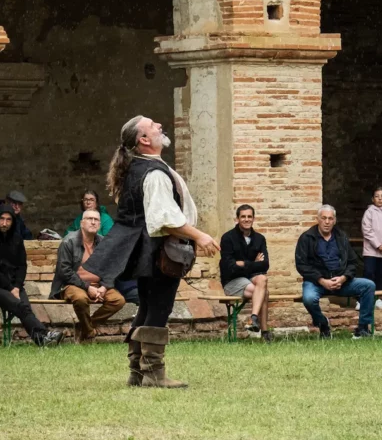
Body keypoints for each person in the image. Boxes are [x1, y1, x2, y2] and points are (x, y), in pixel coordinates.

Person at [78, 115, 219, 388]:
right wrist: (199, 235)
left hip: (143, 249)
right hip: (157, 251)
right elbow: (163, 219)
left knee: (147, 306)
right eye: (153, 126)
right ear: (143, 139)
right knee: (159, 308)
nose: (159, 127)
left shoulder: (137, 167)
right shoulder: (153, 173)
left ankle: (137, 372)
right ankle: (153, 372)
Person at [0, 203, 63, 347]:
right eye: (2, 219)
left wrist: (16, 286)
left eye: (8, 220)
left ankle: (42, 340)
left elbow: (22, 266)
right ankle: (46, 334)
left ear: (13, 221)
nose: (4, 223)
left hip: (15, 286)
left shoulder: (16, 239)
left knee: (24, 308)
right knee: (21, 307)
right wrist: (10, 288)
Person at [295, 205, 376, 339]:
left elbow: (353, 262)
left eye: (330, 219)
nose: (327, 222)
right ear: (318, 219)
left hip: (341, 282)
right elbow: (301, 265)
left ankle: (363, 328)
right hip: (317, 282)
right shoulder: (307, 238)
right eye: (324, 218)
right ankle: (323, 324)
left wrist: (344, 278)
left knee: (369, 286)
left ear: (334, 220)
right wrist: (321, 280)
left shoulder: (341, 236)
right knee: (309, 298)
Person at [50, 208, 126, 341]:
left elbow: (111, 269)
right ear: (81, 223)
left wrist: (103, 287)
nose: (93, 222)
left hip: (98, 285)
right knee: (80, 299)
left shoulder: (103, 243)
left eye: (96, 220)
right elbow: (65, 271)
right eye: (89, 219)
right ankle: (89, 334)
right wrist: (87, 287)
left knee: (118, 300)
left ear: (100, 224)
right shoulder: (69, 241)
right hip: (72, 285)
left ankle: (85, 327)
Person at [220, 204, 272, 341]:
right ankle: (265, 332)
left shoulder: (259, 239)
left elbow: (265, 265)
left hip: (251, 279)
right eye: (243, 216)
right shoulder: (228, 238)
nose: (246, 219)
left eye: (249, 216)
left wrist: (242, 263)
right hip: (232, 281)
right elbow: (230, 267)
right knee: (264, 292)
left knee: (262, 279)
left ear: (253, 218)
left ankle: (253, 318)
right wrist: (253, 263)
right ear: (237, 219)